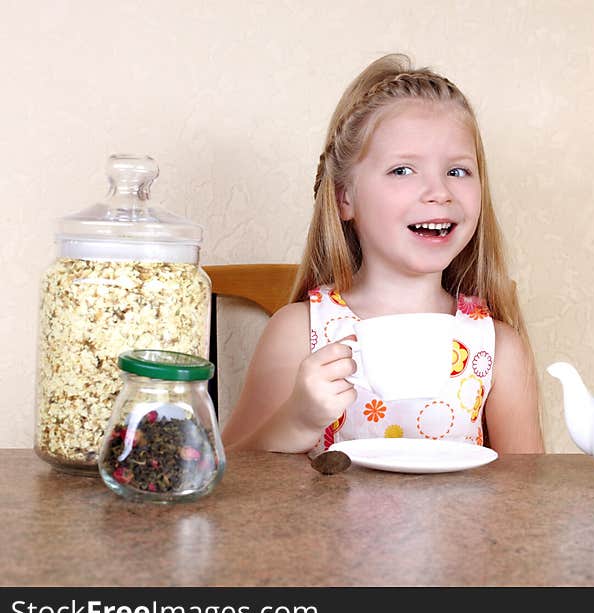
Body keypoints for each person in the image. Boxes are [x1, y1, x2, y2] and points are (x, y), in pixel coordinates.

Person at [222, 53, 543, 455]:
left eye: (458, 171)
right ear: (345, 198)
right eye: (403, 171)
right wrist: (297, 420)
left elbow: (527, 497)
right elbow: (230, 479)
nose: (439, 191)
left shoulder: (498, 349)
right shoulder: (300, 334)